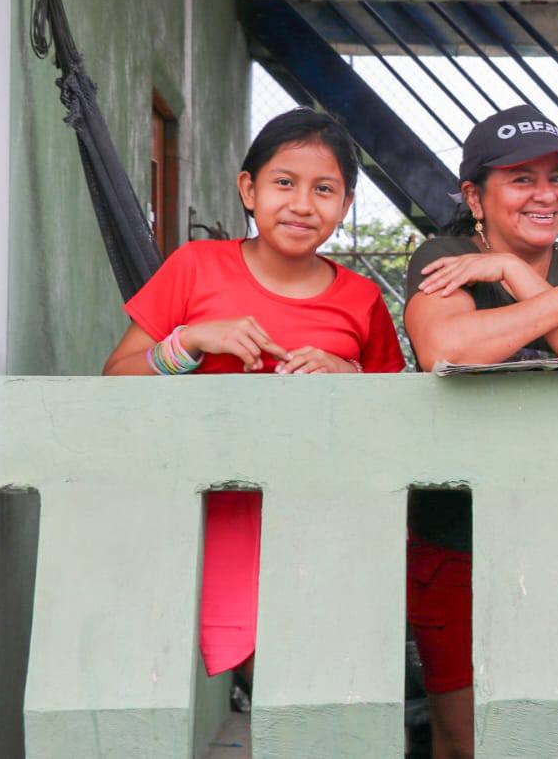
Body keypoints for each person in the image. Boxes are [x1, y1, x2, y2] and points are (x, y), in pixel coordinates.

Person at [102, 107, 406, 697]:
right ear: (249, 189)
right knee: (270, 676)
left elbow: (394, 417)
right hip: (212, 509)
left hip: (326, 512)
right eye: (284, 182)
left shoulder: (362, 299)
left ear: (346, 205)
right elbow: (116, 377)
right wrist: (191, 342)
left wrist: (347, 373)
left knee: (328, 673)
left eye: (324, 190)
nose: (302, 204)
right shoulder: (195, 267)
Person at [402, 103, 558, 759]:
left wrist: (510, 273)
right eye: (521, 179)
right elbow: (446, 348)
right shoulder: (443, 256)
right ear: (475, 197)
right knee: (464, 737)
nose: (545, 194)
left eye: (556, 178)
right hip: (456, 532)